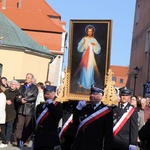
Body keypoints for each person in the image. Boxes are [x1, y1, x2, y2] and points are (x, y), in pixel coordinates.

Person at [72, 86, 113, 150]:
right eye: (91, 94)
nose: (91, 95)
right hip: (81, 144)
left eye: (94, 94)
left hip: (95, 145)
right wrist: (78, 109)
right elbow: (75, 122)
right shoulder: (85, 108)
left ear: (101, 96)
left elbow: (108, 133)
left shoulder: (106, 111)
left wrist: (107, 147)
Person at [33, 85, 63, 150]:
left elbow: (58, 115)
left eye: (48, 94)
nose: (45, 96)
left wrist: (51, 105)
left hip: (49, 139)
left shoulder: (58, 105)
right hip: (39, 139)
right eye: (44, 94)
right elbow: (35, 121)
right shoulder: (39, 106)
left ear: (54, 94)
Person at [13, 73, 38, 147]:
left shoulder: (34, 88)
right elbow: (17, 96)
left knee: (27, 126)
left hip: (29, 109)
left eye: (28, 77)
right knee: (19, 125)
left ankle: (26, 141)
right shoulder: (22, 87)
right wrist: (20, 100)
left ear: (31, 79)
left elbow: (34, 97)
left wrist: (25, 99)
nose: (27, 78)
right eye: (26, 77)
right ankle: (16, 140)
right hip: (21, 109)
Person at [74, 25, 101, 90]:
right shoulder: (84, 39)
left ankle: (89, 84)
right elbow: (79, 48)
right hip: (85, 57)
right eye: (88, 31)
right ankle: (82, 83)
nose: (89, 33)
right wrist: (83, 44)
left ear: (92, 32)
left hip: (91, 57)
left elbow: (98, 49)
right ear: (87, 32)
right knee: (84, 69)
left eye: (91, 31)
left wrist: (94, 45)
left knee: (90, 70)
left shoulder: (94, 40)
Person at [4, 80, 19, 144]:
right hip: (5, 110)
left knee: (10, 125)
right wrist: (6, 101)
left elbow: (18, 101)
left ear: (16, 85)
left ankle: (7, 139)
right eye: (11, 84)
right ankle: (3, 137)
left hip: (13, 111)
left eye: (14, 84)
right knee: (4, 125)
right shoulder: (6, 91)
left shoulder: (18, 92)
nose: (12, 85)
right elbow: (2, 98)